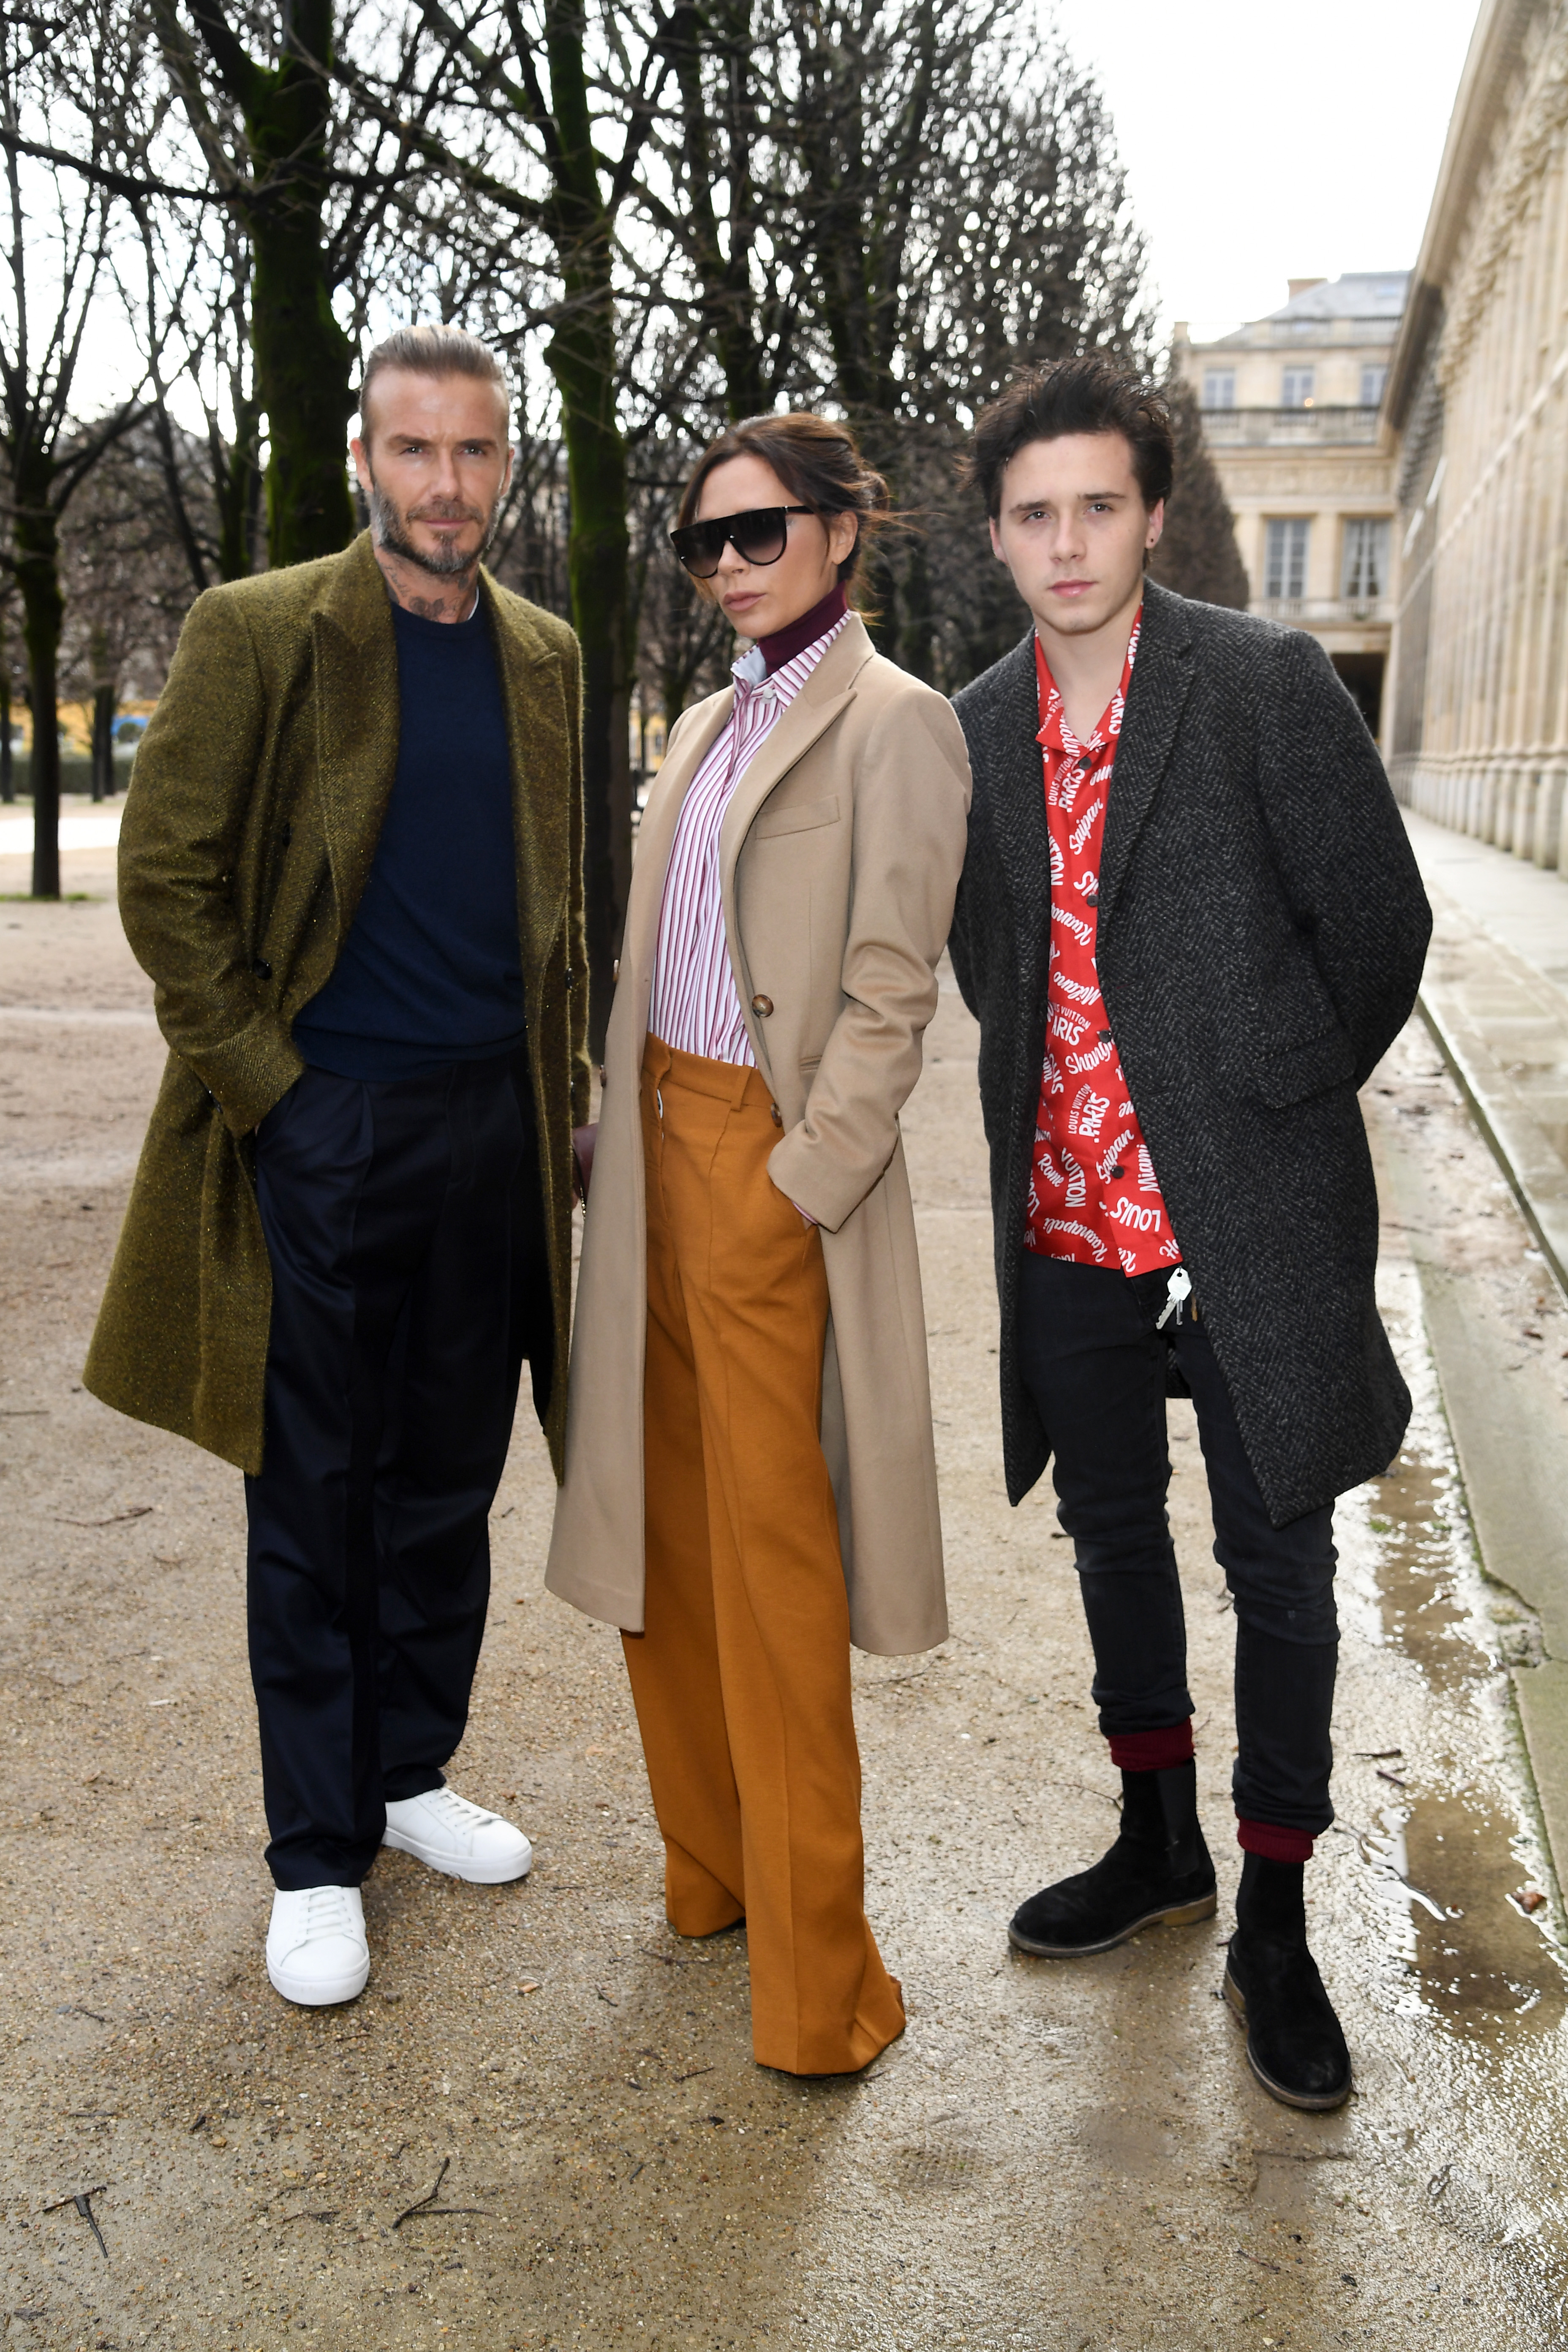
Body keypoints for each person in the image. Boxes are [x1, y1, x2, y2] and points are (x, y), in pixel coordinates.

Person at [948, 357, 1431, 2111]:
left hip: (1248, 1211)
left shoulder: (1261, 682)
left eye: (1096, 506)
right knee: (1105, 1532)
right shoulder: (975, 720)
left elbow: (1380, 929)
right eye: (1032, 513)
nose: (1066, 543)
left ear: (1151, 513)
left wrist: (1259, 1095)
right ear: (996, 534)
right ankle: (1158, 1838)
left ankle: (1280, 1921)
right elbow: (990, 960)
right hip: (1064, 1215)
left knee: (1279, 1563)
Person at [85, 324, 588, 2007]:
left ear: (506, 467)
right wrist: (275, 1095)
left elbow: (560, 908)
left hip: (491, 1127)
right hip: (327, 1121)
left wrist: (565, 1090)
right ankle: (313, 1852)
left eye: (476, 453)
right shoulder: (259, 630)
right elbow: (167, 883)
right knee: (312, 1491)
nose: (448, 485)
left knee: (448, 1480)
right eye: (417, 451)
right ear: (364, 462)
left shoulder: (545, 653)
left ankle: (404, 1774)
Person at [545, 413, 970, 2076]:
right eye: (705, 541)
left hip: (765, 1180)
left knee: (777, 1588)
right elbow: (670, 945)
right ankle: (708, 1877)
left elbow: (889, 990)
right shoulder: (713, 721)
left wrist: (802, 1182)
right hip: (646, 1165)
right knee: (662, 1559)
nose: (730, 563)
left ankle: (817, 1993)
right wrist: (607, 1117)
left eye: (761, 530)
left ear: (843, 530)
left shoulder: (897, 723)